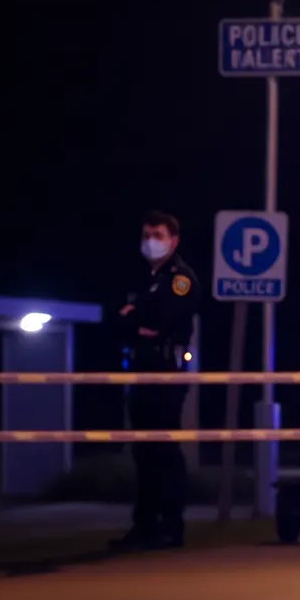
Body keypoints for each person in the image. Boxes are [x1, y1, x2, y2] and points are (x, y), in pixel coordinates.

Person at [109, 210, 201, 551]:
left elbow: (161, 319)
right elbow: (111, 317)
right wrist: (135, 322)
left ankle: (171, 526)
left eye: (158, 234)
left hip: (167, 373)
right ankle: (144, 527)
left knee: (164, 449)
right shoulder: (138, 278)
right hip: (140, 370)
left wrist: (133, 318)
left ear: (173, 240)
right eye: (147, 234)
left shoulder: (181, 278)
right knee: (143, 451)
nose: (151, 240)